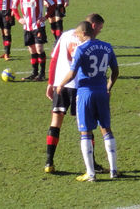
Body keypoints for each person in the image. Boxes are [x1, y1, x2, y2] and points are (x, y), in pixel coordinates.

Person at [56, 21, 119, 181]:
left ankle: (91, 173)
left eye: (77, 34)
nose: (76, 37)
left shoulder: (81, 49)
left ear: (83, 33)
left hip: (85, 93)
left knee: (85, 132)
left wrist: (60, 85)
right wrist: (108, 87)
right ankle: (114, 170)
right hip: (102, 92)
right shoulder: (107, 46)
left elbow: (72, 73)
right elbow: (116, 71)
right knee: (106, 129)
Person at [44, 13, 106, 174]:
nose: (99, 31)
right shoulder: (90, 42)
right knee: (86, 126)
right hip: (80, 86)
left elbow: (54, 58)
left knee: (55, 122)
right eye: (99, 28)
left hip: (61, 84)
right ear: (92, 25)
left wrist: (51, 83)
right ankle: (92, 165)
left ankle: (49, 162)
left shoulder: (65, 35)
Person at [11, 0, 56, 81]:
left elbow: (53, 3)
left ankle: (42, 74)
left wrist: (45, 17)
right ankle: (34, 73)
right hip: (27, 27)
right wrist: (18, 18)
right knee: (32, 50)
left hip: (38, 25)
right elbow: (13, 7)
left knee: (39, 49)